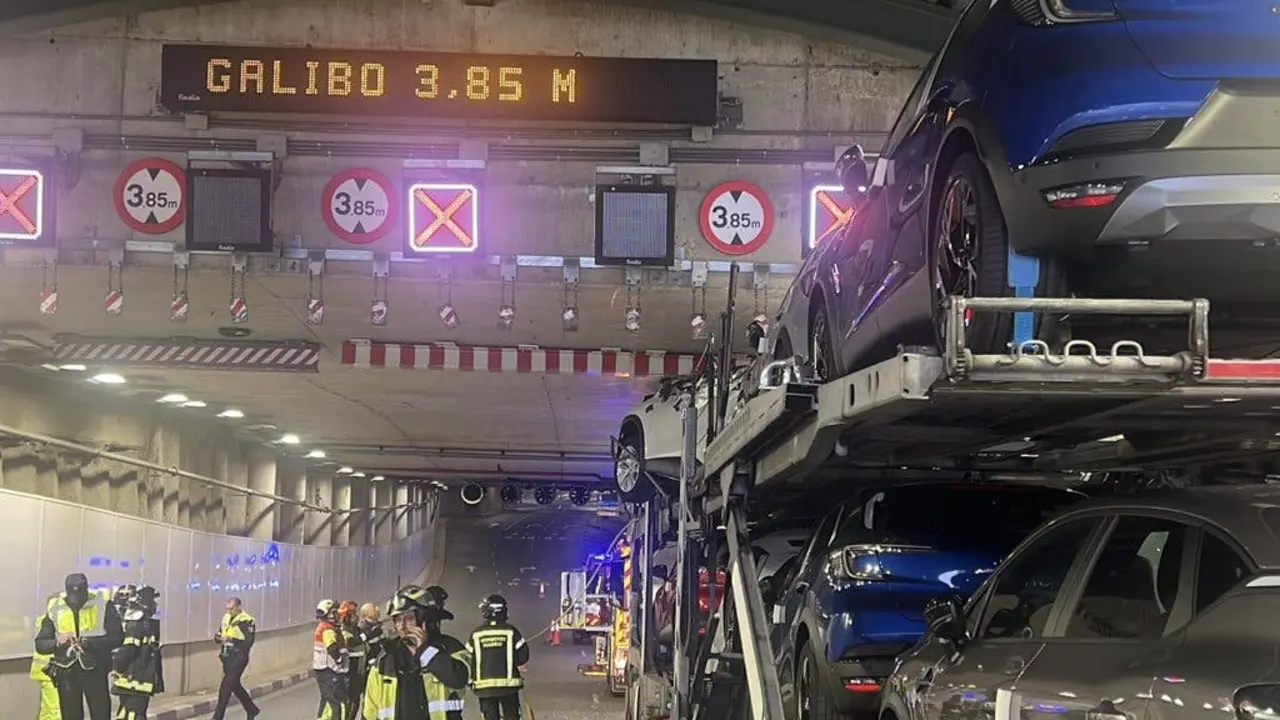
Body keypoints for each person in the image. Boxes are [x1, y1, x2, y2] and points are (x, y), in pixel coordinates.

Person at [363, 586, 470, 720]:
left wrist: (424, 650)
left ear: (425, 620)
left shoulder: (450, 648)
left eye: (408, 619)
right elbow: (370, 711)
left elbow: (458, 678)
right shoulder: (386, 658)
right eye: (397, 620)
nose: (402, 627)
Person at [34, 573, 124, 720]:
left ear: (86, 590)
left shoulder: (102, 604)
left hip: (95, 669)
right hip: (66, 672)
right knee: (70, 715)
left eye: (80, 595)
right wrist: (57, 642)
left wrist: (90, 643)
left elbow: (117, 637)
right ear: (67, 591)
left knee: (100, 713)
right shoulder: (56, 608)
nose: (77, 601)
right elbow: (40, 644)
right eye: (73, 596)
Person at [466, 594, 529, 720]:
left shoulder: (476, 634)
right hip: (509, 688)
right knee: (511, 716)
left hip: (484, 689)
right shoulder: (511, 632)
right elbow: (524, 656)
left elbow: (467, 659)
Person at [110, 585, 164, 719]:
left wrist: (117, 667)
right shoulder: (147, 623)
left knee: (131, 714)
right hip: (139, 678)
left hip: (134, 678)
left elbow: (129, 650)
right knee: (128, 713)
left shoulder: (135, 624)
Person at [212, 597, 259, 720]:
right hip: (227, 657)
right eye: (227, 609)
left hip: (239, 657)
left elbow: (248, 642)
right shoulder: (226, 617)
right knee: (234, 686)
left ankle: (217, 718)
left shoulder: (247, 620)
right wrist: (218, 637)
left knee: (225, 689)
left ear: (238, 607)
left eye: (231, 609)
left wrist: (231, 639)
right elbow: (219, 634)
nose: (229, 611)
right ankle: (252, 709)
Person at [314, 599, 349, 720]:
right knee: (336, 704)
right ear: (328, 614)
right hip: (329, 670)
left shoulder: (324, 627)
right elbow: (332, 648)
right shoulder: (328, 630)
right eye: (335, 612)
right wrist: (339, 659)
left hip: (324, 671)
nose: (337, 615)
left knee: (327, 701)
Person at [30, 592, 62, 720]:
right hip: (52, 671)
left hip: (43, 669)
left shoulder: (42, 619)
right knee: (56, 709)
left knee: (47, 707)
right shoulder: (56, 622)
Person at [338, 600, 365, 718]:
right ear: (347, 617)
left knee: (356, 701)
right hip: (348, 673)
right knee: (349, 703)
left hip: (358, 670)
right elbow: (351, 643)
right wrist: (368, 635)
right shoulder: (344, 631)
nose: (356, 617)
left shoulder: (357, 630)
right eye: (353, 614)